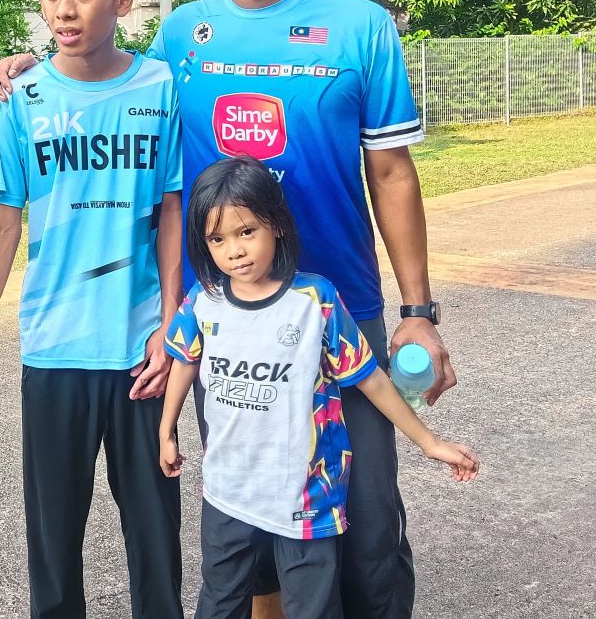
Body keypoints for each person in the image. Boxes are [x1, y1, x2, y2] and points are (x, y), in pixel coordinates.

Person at [0, 0, 456, 618]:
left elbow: (394, 174)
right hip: (229, 318)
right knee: (251, 510)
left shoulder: (362, 28)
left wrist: (419, 311)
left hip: (342, 306)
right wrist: (26, 65)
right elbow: (100, 58)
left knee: (367, 523)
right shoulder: (182, 35)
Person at [0, 0, 185, 619]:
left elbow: (172, 210)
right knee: (53, 542)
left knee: (156, 537)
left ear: (121, 0)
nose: (63, 9)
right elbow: (1, 225)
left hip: (141, 351)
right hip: (55, 351)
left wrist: (173, 326)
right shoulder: (20, 99)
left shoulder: (161, 86)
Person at [159, 155, 477, 619]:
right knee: (220, 602)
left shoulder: (316, 302)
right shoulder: (202, 302)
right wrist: (167, 428)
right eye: (217, 238)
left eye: (247, 231)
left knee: (313, 608)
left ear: (278, 226)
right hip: (228, 493)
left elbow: (371, 382)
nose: (235, 250)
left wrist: (429, 442)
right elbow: (184, 362)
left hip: (306, 499)